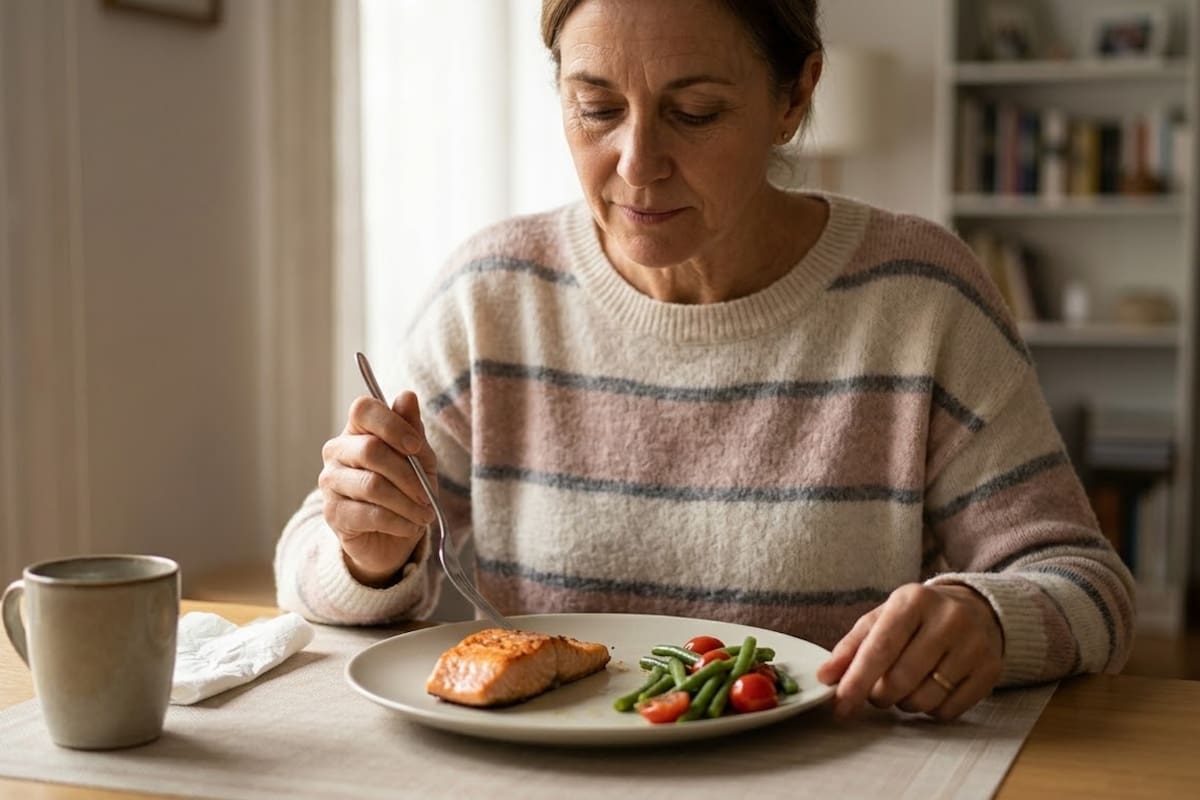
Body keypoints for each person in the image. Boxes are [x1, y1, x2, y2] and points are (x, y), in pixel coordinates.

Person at [275, 0, 1134, 721]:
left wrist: (986, 615)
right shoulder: (494, 293)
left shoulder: (919, 297)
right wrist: (369, 552)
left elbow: (1089, 586)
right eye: (596, 107)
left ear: (794, 96)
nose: (638, 165)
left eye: (695, 113)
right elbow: (311, 562)